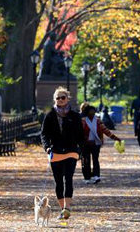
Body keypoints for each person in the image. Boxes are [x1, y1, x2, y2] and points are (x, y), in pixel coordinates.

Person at [41, 87, 85, 221]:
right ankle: (62, 209)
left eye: (63, 97)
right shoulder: (50, 116)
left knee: (69, 179)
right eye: (58, 98)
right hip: (55, 152)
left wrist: (80, 150)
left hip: (71, 151)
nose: (60, 100)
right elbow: (43, 134)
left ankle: (67, 208)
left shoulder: (75, 116)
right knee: (58, 181)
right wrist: (47, 147)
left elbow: (81, 135)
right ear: (55, 100)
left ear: (67, 99)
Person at [80, 104, 121, 184]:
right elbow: (79, 133)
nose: (92, 113)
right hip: (85, 144)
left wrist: (115, 138)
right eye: (90, 111)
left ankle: (96, 175)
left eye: (93, 111)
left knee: (95, 159)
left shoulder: (98, 121)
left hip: (96, 143)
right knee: (86, 160)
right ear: (87, 112)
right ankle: (87, 177)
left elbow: (105, 130)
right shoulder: (83, 121)